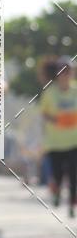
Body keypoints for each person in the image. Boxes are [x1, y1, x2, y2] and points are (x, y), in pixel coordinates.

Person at [40, 57, 77, 218]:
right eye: (63, 71)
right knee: (58, 175)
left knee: (74, 175)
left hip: (74, 141)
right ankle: (56, 193)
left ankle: (72, 205)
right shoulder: (50, 92)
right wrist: (58, 120)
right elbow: (44, 114)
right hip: (55, 143)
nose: (66, 74)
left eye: (69, 71)